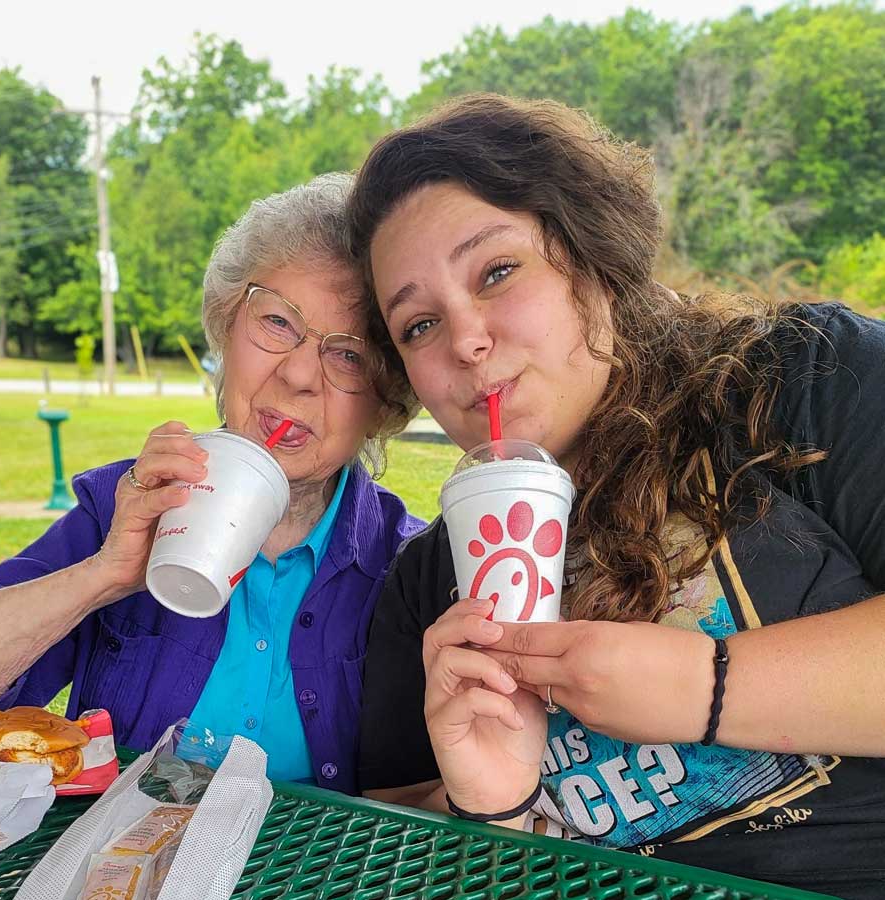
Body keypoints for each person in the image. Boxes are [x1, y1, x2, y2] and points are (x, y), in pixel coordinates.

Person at [348, 94, 885, 898]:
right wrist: (491, 805)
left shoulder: (803, 378)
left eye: (497, 271)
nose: (465, 340)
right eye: (418, 325)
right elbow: (395, 836)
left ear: (591, 259)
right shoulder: (429, 584)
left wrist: (707, 685)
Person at [0, 173, 422, 793]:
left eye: (349, 355)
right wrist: (104, 574)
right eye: (277, 321)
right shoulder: (126, 503)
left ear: (386, 402)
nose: (299, 373)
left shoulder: (411, 567)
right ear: (226, 327)